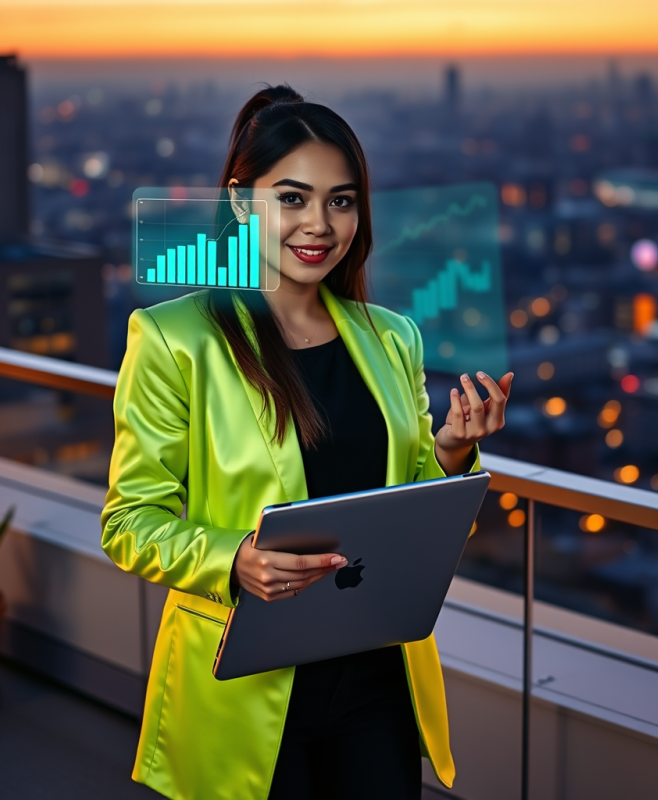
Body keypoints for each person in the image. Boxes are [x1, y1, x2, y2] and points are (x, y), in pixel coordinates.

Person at [101, 84, 513, 800]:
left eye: (341, 200)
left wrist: (450, 451)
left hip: (377, 668)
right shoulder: (176, 339)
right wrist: (235, 560)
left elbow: (408, 506)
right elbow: (128, 523)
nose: (319, 224)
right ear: (239, 203)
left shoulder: (391, 336)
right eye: (291, 198)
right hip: (244, 677)